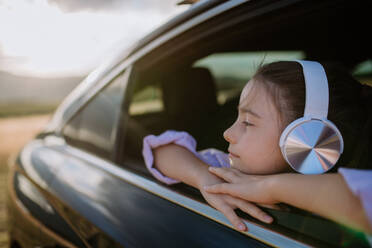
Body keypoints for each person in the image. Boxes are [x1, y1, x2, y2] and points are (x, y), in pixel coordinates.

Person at [142, 60, 372, 232]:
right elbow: (160, 149)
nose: (227, 133)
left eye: (248, 122)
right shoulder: (231, 174)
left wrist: (272, 188)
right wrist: (204, 179)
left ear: (311, 140)